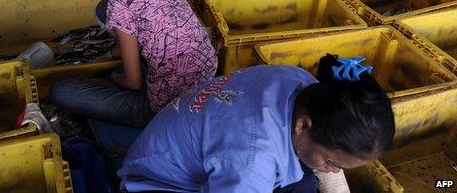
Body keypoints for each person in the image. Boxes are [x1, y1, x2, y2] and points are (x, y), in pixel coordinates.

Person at [118, 54, 396, 192]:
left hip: (192, 141)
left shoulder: (303, 83)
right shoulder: (250, 159)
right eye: (333, 163)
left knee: (307, 180)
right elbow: (248, 163)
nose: (332, 171)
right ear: (303, 125)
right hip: (155, 181)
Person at [51, 0, 218, 128]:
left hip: (167, 107)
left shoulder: (122, 2)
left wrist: (114, 75)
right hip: (207, 86)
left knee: (61, 90)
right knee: (109, 13)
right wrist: (112, 54)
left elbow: (133, 83)